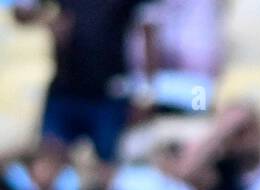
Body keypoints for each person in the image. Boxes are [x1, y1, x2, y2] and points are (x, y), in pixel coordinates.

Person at [13, 0, 154, 167]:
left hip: (108, 94)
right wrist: (47, 19)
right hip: (64, 90)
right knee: (49, 162)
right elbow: (22, 12)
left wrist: (146, 92)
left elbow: (149, 33)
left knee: (105, 166)